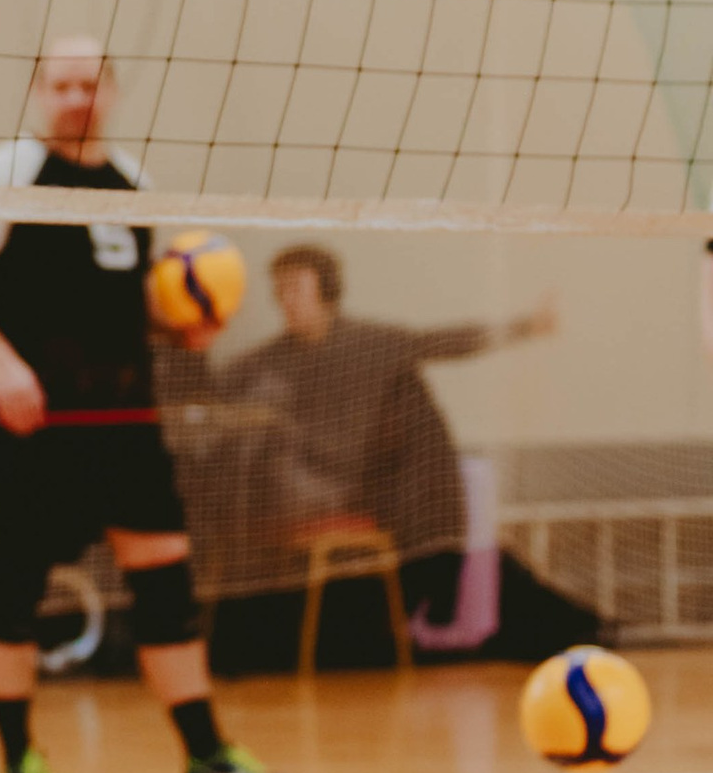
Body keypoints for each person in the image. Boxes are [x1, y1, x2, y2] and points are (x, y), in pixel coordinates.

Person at [0, 41, 287, 773]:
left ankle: (204, 756)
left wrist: (181, 323)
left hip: (125, 419)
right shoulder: (9, 172)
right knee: (17, 586)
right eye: (60, 84)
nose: (75, 97)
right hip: (33, 418)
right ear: (39, 92)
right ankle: (20, 763)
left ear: (113, 91)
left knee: (166, 584)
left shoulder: (132, 182)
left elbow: (123, 303)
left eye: (88, 84)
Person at [217, 247, 587, 659]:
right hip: (307, 486)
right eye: (280, 290)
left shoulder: (371, 344)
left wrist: (527, 326)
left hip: (366, 494)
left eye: (296, 288)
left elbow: (443, 342)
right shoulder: (269, 362)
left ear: (326, 290)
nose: (286, 300)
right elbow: (223, 393)